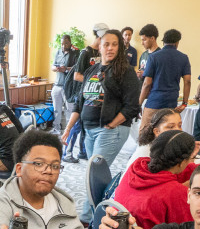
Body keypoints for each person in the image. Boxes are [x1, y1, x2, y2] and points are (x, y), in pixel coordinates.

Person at [63, 28, 140, 198]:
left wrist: (111, 124)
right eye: (106, 44)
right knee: (95, 173)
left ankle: (89, 217)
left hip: (110, 130)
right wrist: (68, 128)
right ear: (100, 47)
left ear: (120, 48)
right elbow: (79, 102)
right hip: (89, 130)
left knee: (94, 174)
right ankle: (102, 209)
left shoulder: (125, 71)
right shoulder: (92, 70)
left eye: (114, 45)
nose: (110, 48)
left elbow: (132, 106)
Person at [111, 130, 197, 229]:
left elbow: (169, 177)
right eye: (191, 158)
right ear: (182, 162)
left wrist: (199, 169)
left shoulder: (137, 168)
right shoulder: (176, 193)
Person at [65, 27, 106, 162]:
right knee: (76, 125)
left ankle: (83, 152)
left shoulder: (100, 53)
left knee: (84, 125)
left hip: (93, 95)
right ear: (99, 37)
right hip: (81, 93)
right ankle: (67, 153)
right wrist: (94, 82)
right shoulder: (85, 52)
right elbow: (77, 76)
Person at [139, 29, 191, 114]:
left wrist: (139, 104)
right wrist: (184, 103)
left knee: (146, 127)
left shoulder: (153, 57)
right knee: (168, 126)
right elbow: (187, 81)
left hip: (154, 102)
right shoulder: (184, 58)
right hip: (171, 103)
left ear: (163, 42)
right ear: (177, 42)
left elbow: (146, 84)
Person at [51, 35, 79, 132]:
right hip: (57, 85)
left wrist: (66, 69)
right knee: (56, 109)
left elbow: (77, 69)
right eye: (62, 43)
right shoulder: (58, 52)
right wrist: (57, 68)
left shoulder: (75, 53)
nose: (63, 46)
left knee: (69, 110)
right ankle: (56, 129)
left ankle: (69, 131)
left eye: (66, 43)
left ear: (70, 43)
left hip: (68, 87)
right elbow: (52, 66)